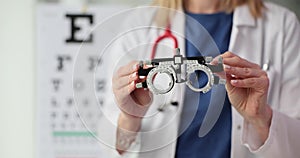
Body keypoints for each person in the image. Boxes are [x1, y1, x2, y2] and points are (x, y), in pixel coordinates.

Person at [99, 0, 300, 157]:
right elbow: (112, 148)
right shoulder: (139, 24)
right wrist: (130, 118)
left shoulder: (281, 25)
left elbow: (294, 148)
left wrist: (261, 118)